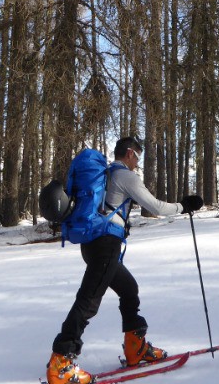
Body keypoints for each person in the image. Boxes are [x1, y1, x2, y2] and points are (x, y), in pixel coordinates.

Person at [46, 136, 204, 384]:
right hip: (106, 245)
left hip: (93, 245)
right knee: (88, 300)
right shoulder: (125, 176)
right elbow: (157, 207)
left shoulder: (107, 174)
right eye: (137, 157)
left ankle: (135, 348)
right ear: (129, 153)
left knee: (129, 289)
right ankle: (61, 363)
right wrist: (184, 206)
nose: (137, 163)